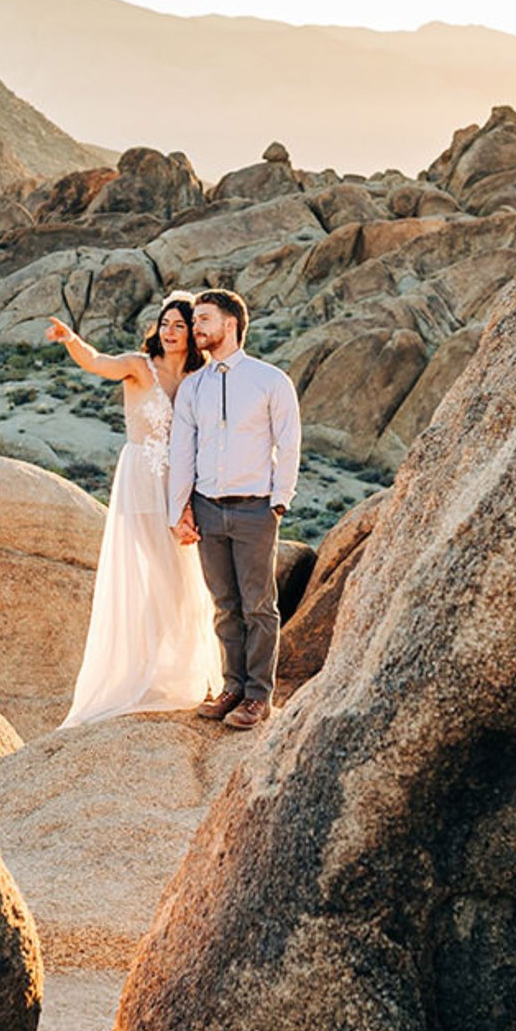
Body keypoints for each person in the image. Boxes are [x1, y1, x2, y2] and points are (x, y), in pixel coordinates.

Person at [46, 296, 221, 726]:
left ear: (192, 333)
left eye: (178, 326)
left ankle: (185, 673)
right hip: (142, 478)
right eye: (164, 324)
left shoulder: (199, 376)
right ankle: (140, 675)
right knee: (156, 574)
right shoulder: (140, 366)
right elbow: (96, 361)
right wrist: (71, 340)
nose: (169, 332)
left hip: (182, 483)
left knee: (188, 580)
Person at [168, 288, 301, 731]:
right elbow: (182, 451)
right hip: (207, 509)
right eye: (195, 319)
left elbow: (290, 441)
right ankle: (232, 687)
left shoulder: (270, 381)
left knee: (259, 606)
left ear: (231, 324)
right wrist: (179, 510)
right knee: (225, 605)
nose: (196, 327)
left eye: (204, 319)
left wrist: (279, 501)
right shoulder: (193, 387)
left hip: (255, 510)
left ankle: (258, 696)